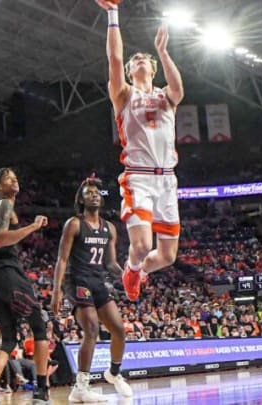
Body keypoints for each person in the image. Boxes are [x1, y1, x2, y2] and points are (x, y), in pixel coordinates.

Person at [96, 0, 185, 302]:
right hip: (139, 178)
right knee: (143, 245)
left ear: (154, 68)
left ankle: (138, 272)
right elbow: (115, 58)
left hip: (168, 180)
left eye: (145, 59)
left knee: (168, 256)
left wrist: (162, 50)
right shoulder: (124, 94)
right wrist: (112, 13)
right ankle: (133, 268)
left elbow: (179, 88)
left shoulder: (165, 96)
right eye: (136, 61)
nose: (140, 61)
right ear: (132, 71)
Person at [52, 177, 132, 402]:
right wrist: (56, 291)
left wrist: (130, 274)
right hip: (77, 281)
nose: (94, 195)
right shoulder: (74, 224)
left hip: (98, 282)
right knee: (92, 329)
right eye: (89, 193)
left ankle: (114, 373)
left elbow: (111, 264)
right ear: (81, 199)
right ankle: (81, 386)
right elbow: (62, 258)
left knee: (119, 329)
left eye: (97, 192)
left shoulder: (110, 228)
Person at [0, 168, 50, 405]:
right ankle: (41, 389)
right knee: (39, 325)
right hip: (6, 271)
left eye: (16, 177)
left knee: (9, 339)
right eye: (8, 178)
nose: (14, 180)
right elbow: (0, 240)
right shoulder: (4, 204)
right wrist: (33, 227)